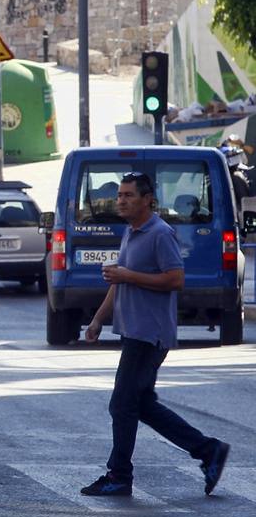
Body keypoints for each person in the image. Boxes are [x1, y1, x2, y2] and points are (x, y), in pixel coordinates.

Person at [80, 172, 231, 497]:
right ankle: (208, 450)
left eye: (128, 195)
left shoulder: (160, 233)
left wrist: (128, 275)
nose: (121, 200)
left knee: (122, 405)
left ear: (148, 200)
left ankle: (119, 476)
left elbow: (175, 279)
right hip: (133, 329)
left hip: (150, 333)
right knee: (141, 405)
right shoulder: (132, 232)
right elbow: (119, 281)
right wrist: (97, 320)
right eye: (119, 195)